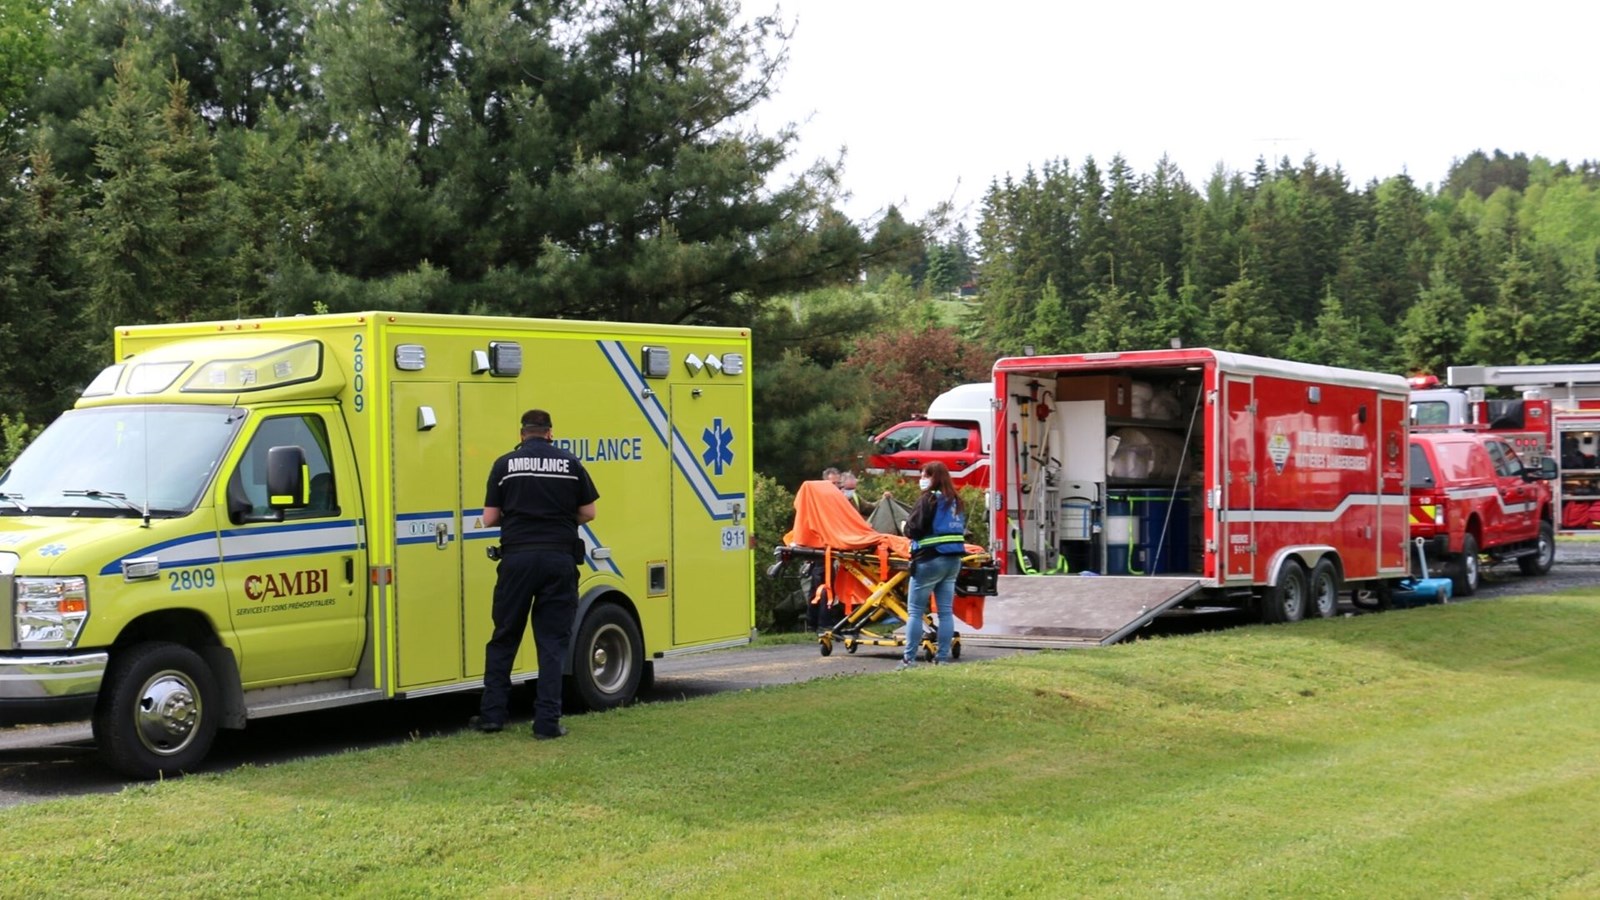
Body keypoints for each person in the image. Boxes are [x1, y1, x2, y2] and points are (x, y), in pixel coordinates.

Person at [472, 409, 599, 740]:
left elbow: (489, 518)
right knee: (552, 643)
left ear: (522, 434)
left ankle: (492, 716)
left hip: (517, 560)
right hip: (559, 560)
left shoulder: (504, 465)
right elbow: (589, 512)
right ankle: (547, 723)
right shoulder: (570, 464)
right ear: (550, 433)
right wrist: (559, 519)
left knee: (505, 636)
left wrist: (519, 519)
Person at [899, 461, 966, 668]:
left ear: (933, 477)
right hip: (953, 560)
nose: (921, 480)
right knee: (945, 612)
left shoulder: (928, 499)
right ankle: (942, 658)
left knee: (915, 611)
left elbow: (914, 529)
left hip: (929, 560)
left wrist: (904, 527)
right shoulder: (956, 501)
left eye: (924, 476)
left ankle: (909, 659)